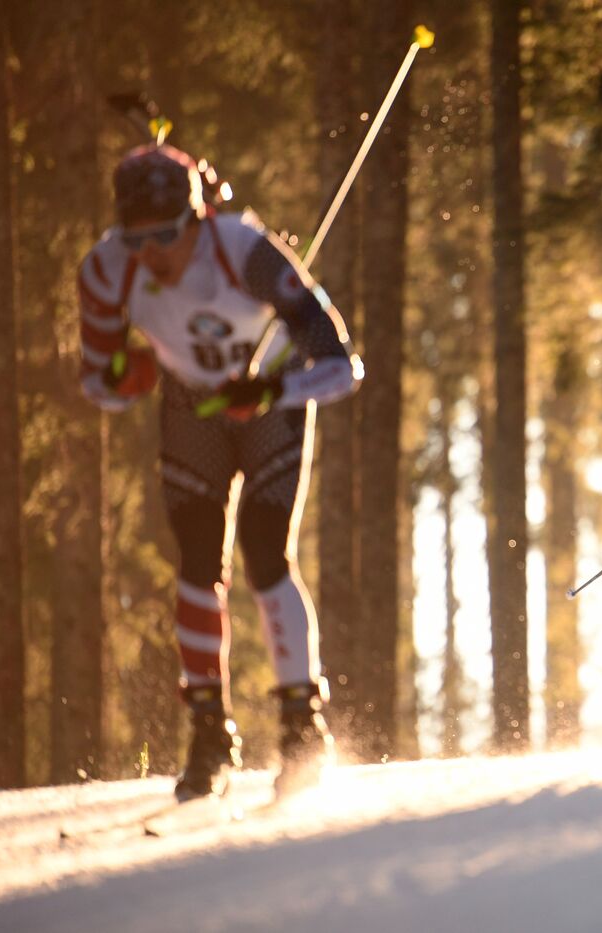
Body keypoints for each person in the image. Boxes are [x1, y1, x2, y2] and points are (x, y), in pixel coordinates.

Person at [77, 143, 362, 799]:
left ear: (198, 216)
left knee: (266, 550)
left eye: (167, 233)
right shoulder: (105, 269)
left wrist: (265, 392)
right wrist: (128, 376)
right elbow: (98, 381)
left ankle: (300, 724)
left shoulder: (241, 249)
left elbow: (342, 365)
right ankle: (208, 731)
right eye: (136, 236)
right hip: (190, 407)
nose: (153, 252)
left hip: (271, 393)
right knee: (197, 559)